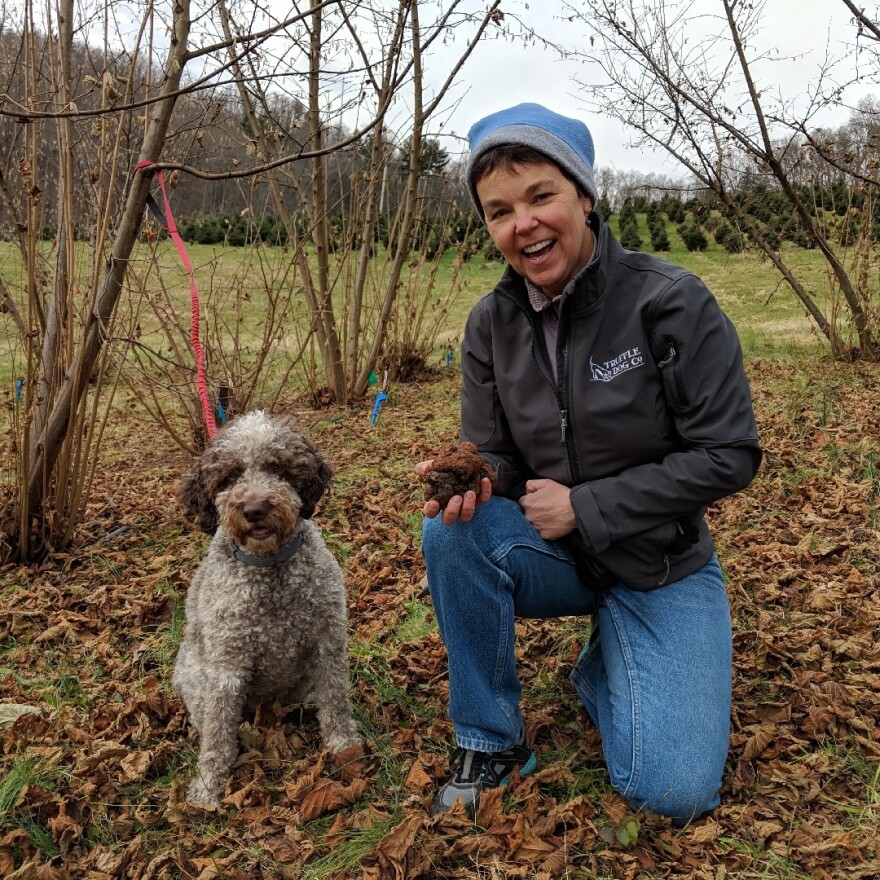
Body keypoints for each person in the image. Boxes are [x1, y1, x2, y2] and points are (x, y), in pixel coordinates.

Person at [416, 103, 762, 824]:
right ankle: (490, 740)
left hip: (660, 562)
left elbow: (729, 454)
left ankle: (613, 661)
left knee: (670, 791)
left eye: (541, 196)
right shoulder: (491, 323)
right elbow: (500, 455)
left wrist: (588, 505)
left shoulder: (670, 302)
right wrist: (471, 477)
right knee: (452, 534)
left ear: (584, 194)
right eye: (500, 211)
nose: (524, 224)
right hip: (558, 555)